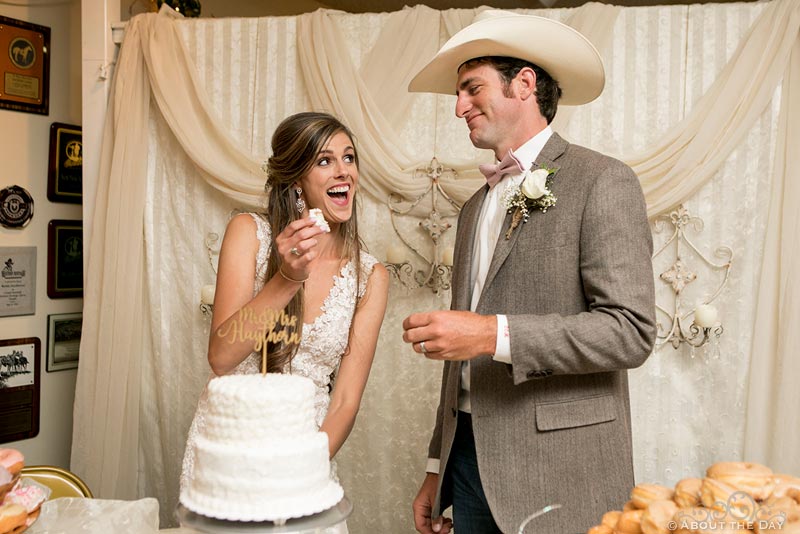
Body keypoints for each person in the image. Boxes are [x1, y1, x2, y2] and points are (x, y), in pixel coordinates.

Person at [403, 10, 656, 534]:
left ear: (524, 84)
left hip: (563, 469)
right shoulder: (474, 207)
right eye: (457, 95)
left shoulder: (603, 181)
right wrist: (438, 466)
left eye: (471, 89)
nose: (458, 108)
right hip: (468, 464)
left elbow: (630, 332)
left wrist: (492, 332)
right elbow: (461, 360)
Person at [180, 112, 389, 533]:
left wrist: (301, 470)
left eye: (349, 158)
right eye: (325, 161)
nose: (343, 170)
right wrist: (287, 278)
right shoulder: (248, 234)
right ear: (296, 180)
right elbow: (222, 356)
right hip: (231, 455)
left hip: (307, 463)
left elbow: (346, 399)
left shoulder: (370, 277)